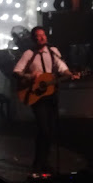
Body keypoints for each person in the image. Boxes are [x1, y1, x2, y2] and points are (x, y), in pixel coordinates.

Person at [13, 26, 81, 175]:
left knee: (50, 131)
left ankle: (45, 162)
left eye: (43, 35)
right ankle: (37, 163)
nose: (42, 38)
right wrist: (31, 76)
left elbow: (62, 68)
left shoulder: (53, 51)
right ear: (33, 39)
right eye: (38, 36)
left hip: (51, 94)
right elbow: (17, 72)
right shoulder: (29, 53)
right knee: (43, 129)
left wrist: (70, 74)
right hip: (36, 95)